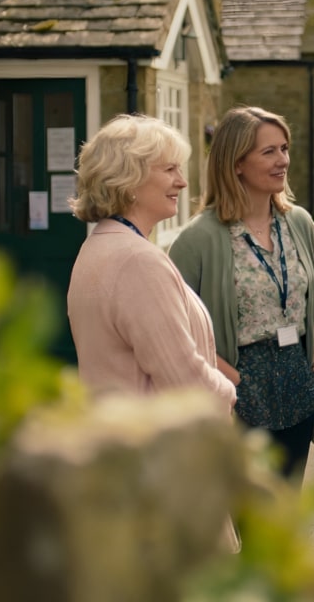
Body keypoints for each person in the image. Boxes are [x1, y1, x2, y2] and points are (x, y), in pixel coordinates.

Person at [169, 106, 314, 484]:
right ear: (236, 163)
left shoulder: (300, 223)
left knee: (284, 515)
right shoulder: (198, 239)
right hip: (237, 388)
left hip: (298, 380)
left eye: (284, 148)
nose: (283, 161)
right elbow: (180, 330)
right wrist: (236, 382)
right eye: (268, 152)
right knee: (241, 521)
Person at [66, 114, 237, 407]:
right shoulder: (136, 261)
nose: (182, 182)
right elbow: (185, 382)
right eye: (170, 169)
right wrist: (231, 391)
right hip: (157, 442)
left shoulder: (99, 245)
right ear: (128, 178)